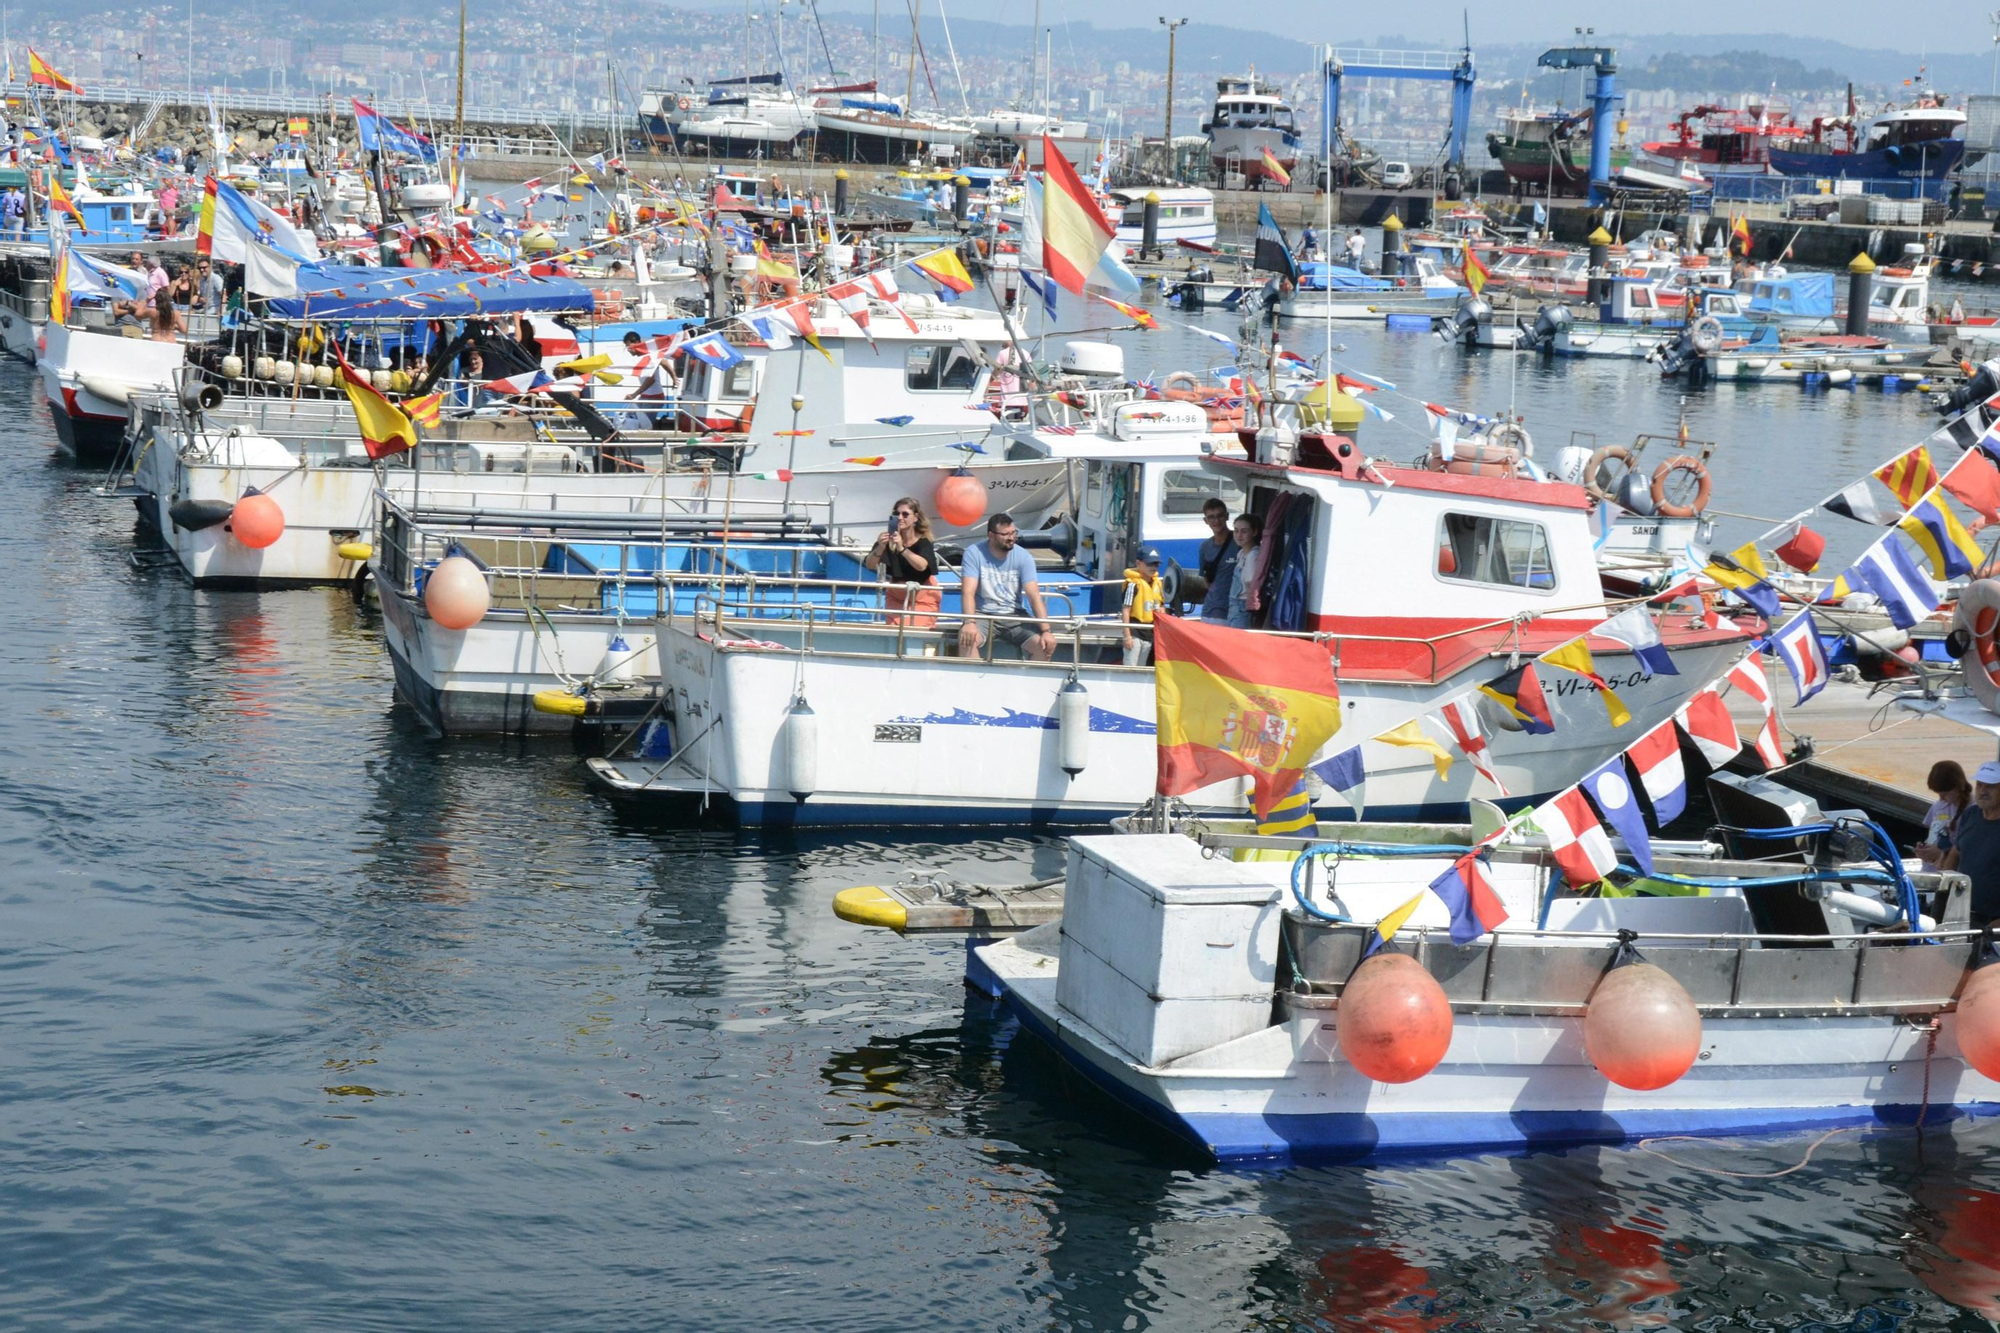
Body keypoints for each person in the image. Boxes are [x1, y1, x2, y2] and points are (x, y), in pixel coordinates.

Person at [957, 512, 1055, 661]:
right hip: (982, 614)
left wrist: (1046, 630)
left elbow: (1034, 596)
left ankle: (1030, 682)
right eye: (1005, 534)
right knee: (967, 640)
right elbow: (968, 592)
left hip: (1014, 615)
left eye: (1013, 533)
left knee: (1044, 646)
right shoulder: (974, 553)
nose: (1011, 538)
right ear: (991, 535)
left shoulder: (1024, 557)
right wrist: (969, 622)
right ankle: (974, 681)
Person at [863, 496, 940, 628]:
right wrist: (880, 547)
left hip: (922, 596)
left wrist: (902, 548)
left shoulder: (923, 542)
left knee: (916, 634)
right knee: (894, 636)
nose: (900, 518)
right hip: (897, 595)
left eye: (905, 514)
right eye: (896, 514)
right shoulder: (887, 540)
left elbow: (922, 566)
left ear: (915, 517)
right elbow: (869, 565)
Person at [1946, 761, 2000, 928]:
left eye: (1990, 786)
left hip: (1992, 921)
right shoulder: (1971, 814)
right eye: (1979, 785)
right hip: (1960, 913)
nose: (1983, 791)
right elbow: (1956, 853)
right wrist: (1944, 891)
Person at [1917, 760, 1975, 867]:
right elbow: (1932, 835)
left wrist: (1940, 855)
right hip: (1931, 869)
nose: (1941, 798)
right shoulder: (1939, 806)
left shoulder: (1974, 810)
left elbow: (1971, 851)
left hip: (1953, 871)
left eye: (1945, 794)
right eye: (1938, 794)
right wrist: (1924, 850)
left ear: (1959, 787)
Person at [1121, 546, 1165, 665]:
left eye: (1156, 564)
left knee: (1142, 666)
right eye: (1149, 564)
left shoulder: (1157, 584)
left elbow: (1161, 605)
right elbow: (1126, 610)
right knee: (1130, 666)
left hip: (1149, 632)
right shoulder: (1133, 585)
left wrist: (1162, 609)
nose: (1153, 568)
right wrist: (1127, 636)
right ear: (1138, 563)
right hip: (1135, 631)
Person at [1196, 498, 1236, 619]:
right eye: (1211, 517)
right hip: (1211, 608)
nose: (1216, 520)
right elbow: (1207, 580)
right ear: (1205, 520)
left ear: (1227, 516)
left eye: (1220, 516)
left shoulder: (1240, 543)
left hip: (1235, 609)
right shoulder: (1205, 547)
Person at [1226, 512, 1264, 629]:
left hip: (1242, 606)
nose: (1239, 535)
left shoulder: (1253, 555)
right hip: (1234, 605)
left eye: (1244, 531)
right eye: (1236, 531)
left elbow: (1250, 584)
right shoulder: (1241, 553)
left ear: (1254, 532)